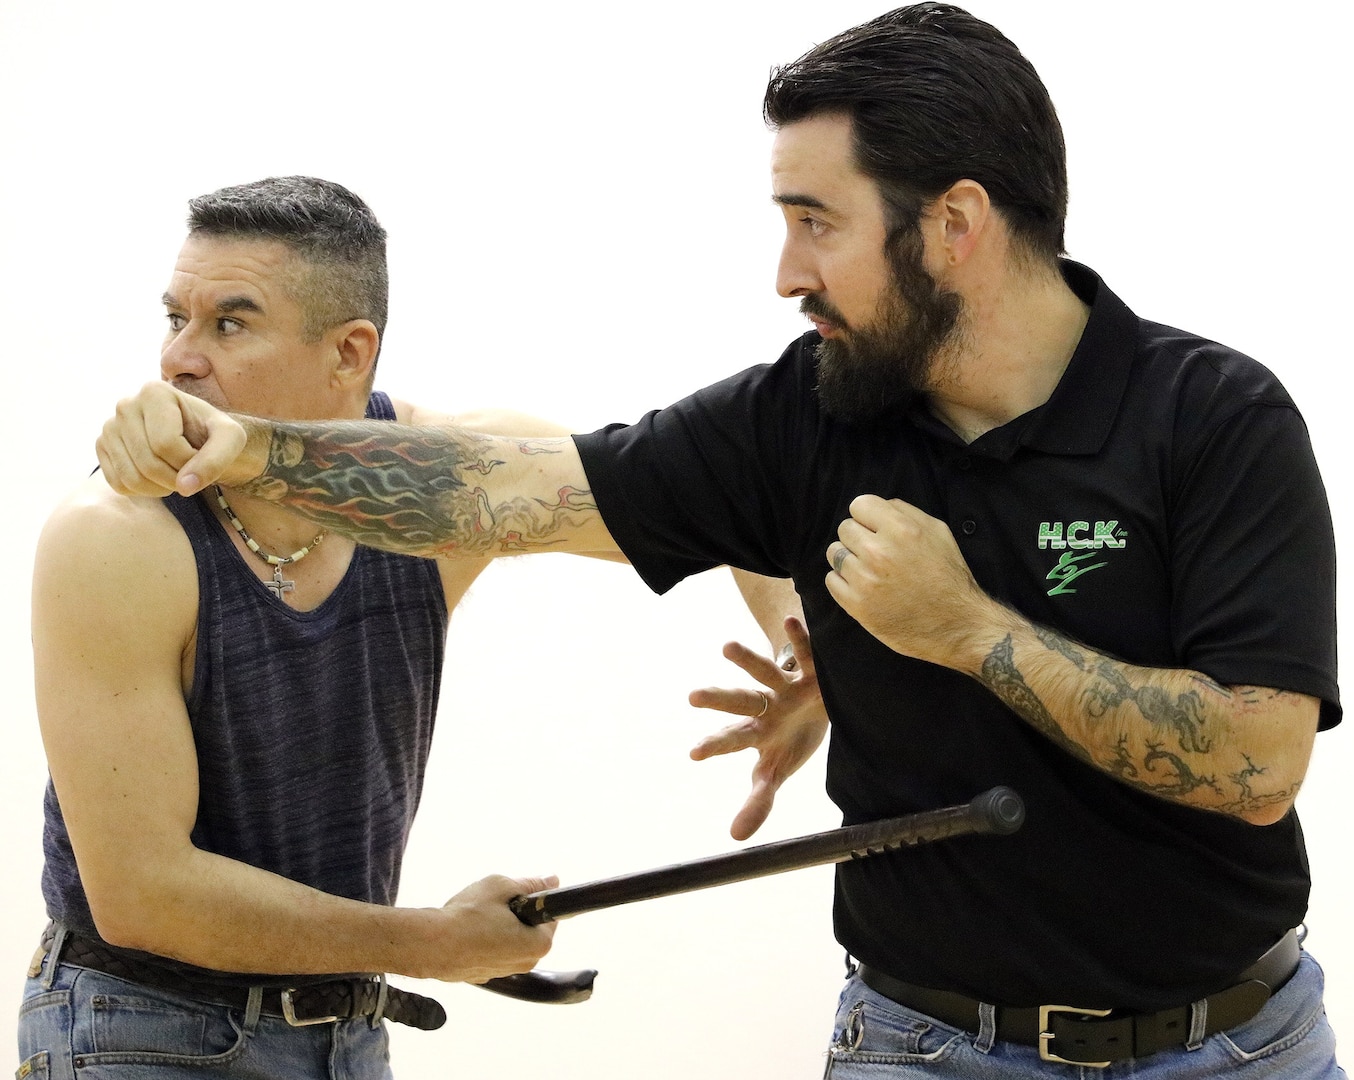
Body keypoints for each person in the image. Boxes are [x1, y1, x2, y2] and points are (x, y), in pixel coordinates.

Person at [93, 5, 1343, 1076]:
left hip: (1236, 1043)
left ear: (954, 223)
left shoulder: (1214, 420)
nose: (785, 271)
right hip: (923, 1044)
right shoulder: (803, 410)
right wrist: (251, 448)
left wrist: (965, 632)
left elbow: (1253, 762)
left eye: (817, 221)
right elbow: (507, 490)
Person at [21, 175, 590, 1080]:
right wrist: (431, 944)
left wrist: (797, 652)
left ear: (349, 353)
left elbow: (674, 494)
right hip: (141, 1027)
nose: (178, 360)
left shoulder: (443, 483)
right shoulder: (115, 538)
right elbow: (141, 894)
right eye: (176, 318)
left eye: (229, 324)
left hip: (346, 1034)